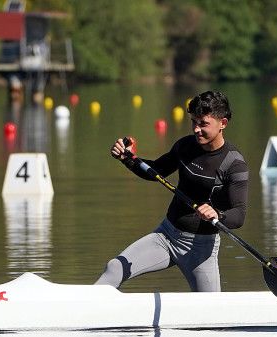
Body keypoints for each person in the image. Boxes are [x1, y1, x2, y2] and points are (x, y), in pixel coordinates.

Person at [95, 90, 249, 292]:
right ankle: (78, 311)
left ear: (223, 123)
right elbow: (156, 171)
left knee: (210, 313)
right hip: (166, 237)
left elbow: (239, 215)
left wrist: (217, 214)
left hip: (200, 249)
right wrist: (128, 159)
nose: (196, 129)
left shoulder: (234, 164)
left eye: (203, 124)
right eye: (193, 122)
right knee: (115, 267)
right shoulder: (185, 146)